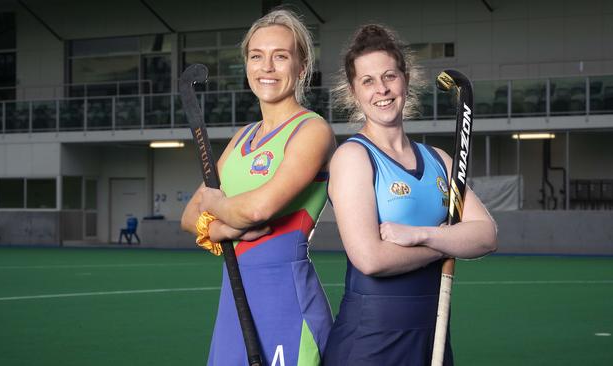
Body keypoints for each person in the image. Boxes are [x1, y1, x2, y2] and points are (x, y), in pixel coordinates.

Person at [322, 24, 497, 366]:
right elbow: (371, 259)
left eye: (389, 76)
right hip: (370, 341)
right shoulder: (353, 157)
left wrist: (420, 234)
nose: (382, 89)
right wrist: (448, 242)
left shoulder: (439, 160)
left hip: (432, 334)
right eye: (368, 81)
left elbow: (487, 236)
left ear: (405, 79)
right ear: (354, 91)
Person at [180, 9, 336, 366]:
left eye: (280, 56)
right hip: (234, 306)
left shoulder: (312, 131)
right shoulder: (242, 138)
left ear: (302, 66)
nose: (266, 67)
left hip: (287, 308)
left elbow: (258, 210)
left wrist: (215, 204)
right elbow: (189, 215)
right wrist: (222, 228)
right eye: (256, 56)